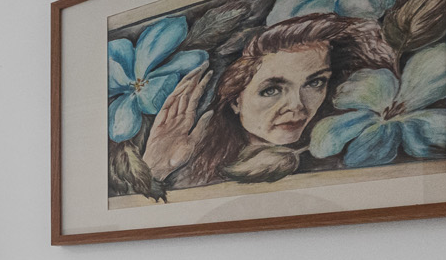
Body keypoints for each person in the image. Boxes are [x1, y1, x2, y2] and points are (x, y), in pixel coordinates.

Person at [141, 13, 398, 190]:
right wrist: (157, 167)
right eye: (272, 90)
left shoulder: (343, 162)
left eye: (315, 83)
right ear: (235, 100)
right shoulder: (198, 172)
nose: (297, 106)